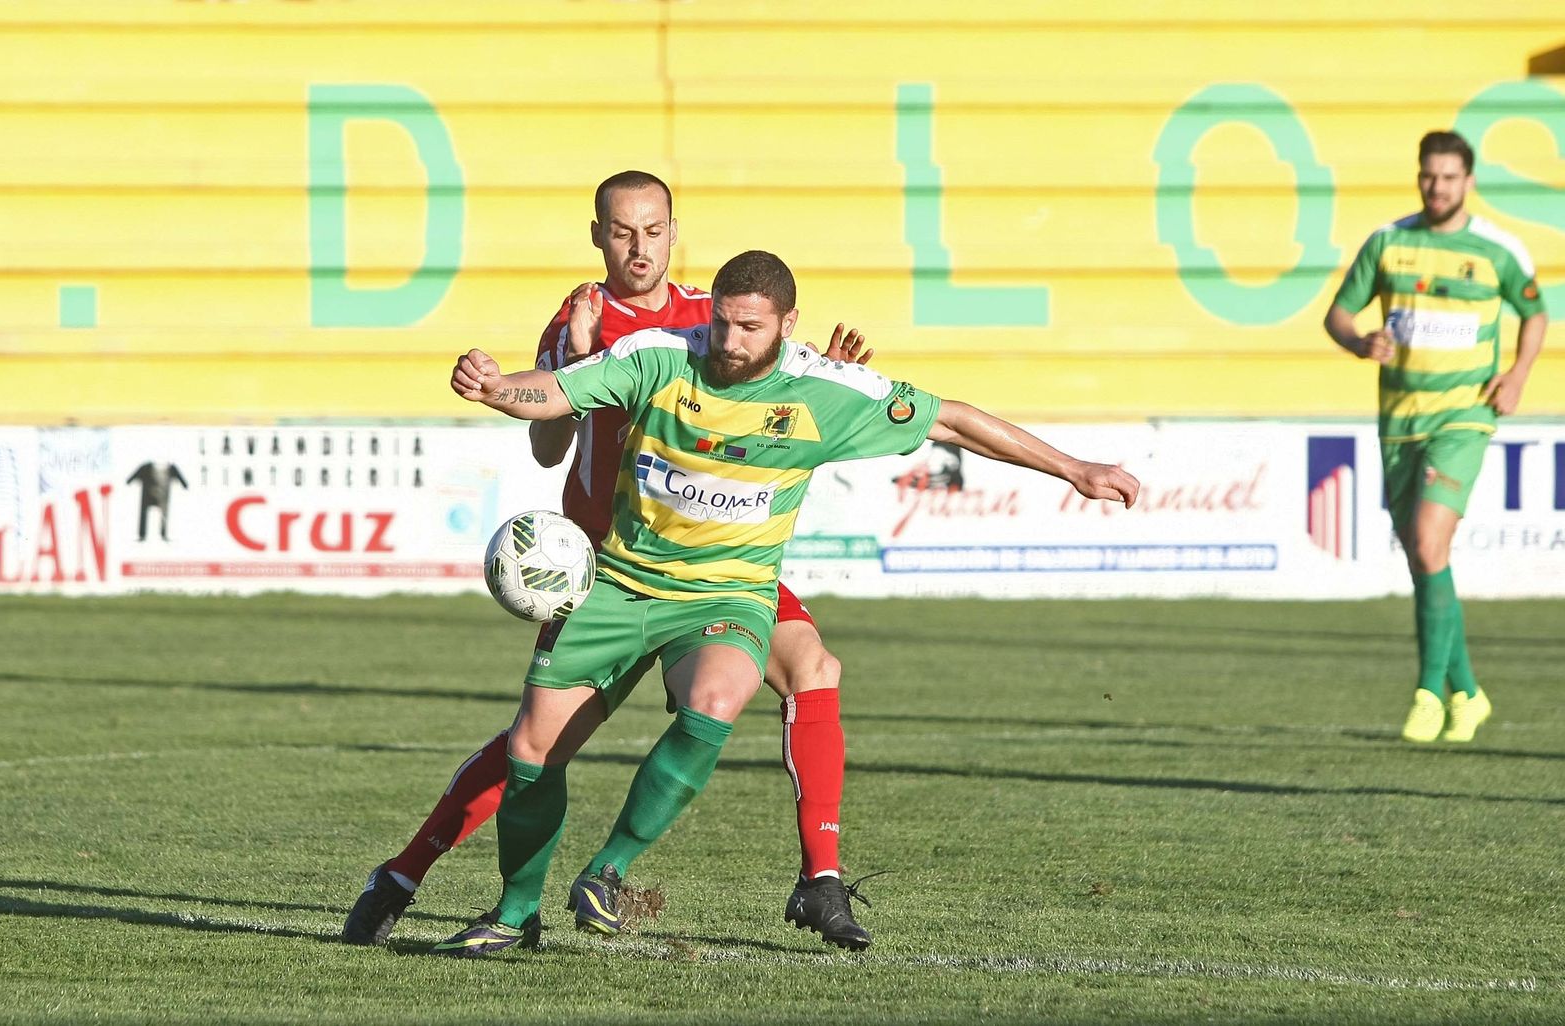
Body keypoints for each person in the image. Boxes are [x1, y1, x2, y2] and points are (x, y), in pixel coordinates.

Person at [429, 249, 1140, 957]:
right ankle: (515, 915)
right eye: (721, 323)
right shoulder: (661, 355)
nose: (729, 342)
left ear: (787, 324)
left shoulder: (823, 391)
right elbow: (556, 392)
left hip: (728, 593)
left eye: (749, 328)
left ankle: (608, 870)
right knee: (532, 747)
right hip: (620, 580)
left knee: (716, 699)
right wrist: (496, 388)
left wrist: (1074, 468)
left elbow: (951, 421)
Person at [343, 171, 880, 950]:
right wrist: (578, 359)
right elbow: (547, 444)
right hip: (607, 562)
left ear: (674, 231)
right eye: (623, 232)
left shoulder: (711, 313)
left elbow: (774, 394)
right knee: (538, 743)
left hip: (708, 559)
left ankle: (820, 879)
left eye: (653, 230)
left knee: (814, 667)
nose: (640, 247)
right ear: (598, 235)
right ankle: (404, 874)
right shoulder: (579, 316)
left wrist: (820, 372)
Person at [1323, 130, 1547, 744]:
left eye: (1449, 177)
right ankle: (1468, 693)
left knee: (1426, 542)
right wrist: (1359, 341)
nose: (1437, 186)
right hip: (1400, 422)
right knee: (1427, 559)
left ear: (1468, 181)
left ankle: (1427, 693)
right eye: (1429, 175)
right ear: (1418, 176)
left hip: (1463, 416)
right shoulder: (1389, 243)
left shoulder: (1497, 249)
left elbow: (1534, 313)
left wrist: (1518, 374)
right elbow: (1337, 314)